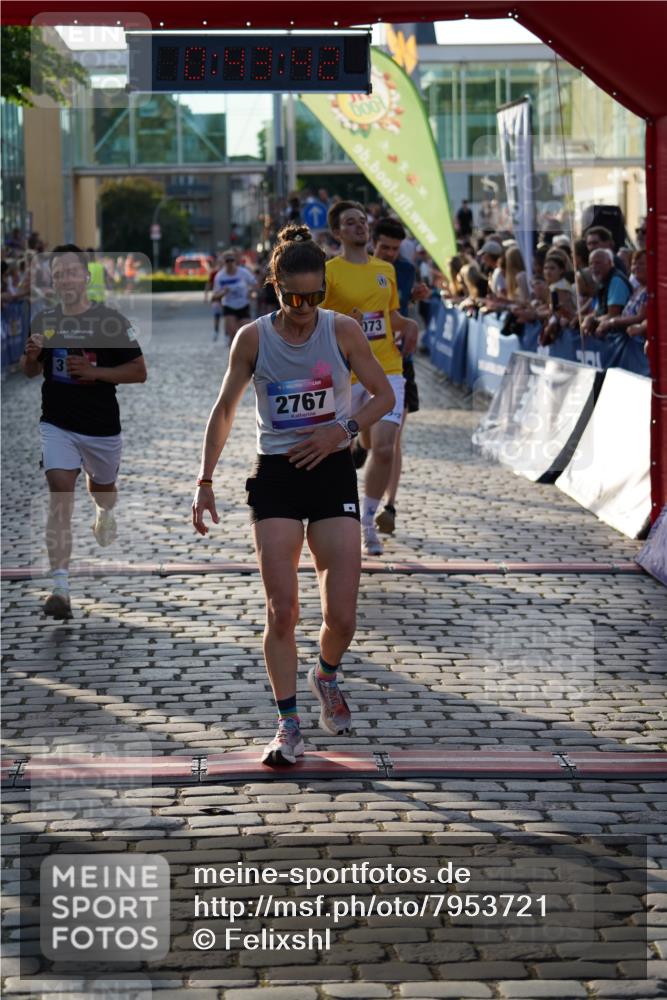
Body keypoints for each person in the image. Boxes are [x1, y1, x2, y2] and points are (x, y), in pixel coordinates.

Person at [192, 225, 393, 766]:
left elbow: (382, 395)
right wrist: (205, 480)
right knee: (282, 611)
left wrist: (341, 431)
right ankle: (288, 725)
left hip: (331, 473)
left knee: (342, 618)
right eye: (293, 298)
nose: (304, 310)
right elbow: (225, 410)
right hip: (277, 476)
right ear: (274, 287)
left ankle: (325, 674)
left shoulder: (342, 330)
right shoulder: (253, 339)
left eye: (315, 297)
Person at [20, 244, 147, 620]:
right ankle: (60, 587)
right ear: (53, 281)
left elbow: (139, 371)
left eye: (72, 272)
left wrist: (95, 373)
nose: (65, 279)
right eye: (58, 274)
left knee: (102, 491)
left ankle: (104, 511)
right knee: (59, 489)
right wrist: (31, 357)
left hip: (101, 427)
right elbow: (30, 371)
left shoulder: (109, 321)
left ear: (86, 277)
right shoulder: (45, 320)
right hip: (57, 422)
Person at [322, 201, 418, 556]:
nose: (360, 226)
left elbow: (390, 316)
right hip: (345, 373)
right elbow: (315, 321)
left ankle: (367, 522)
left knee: (386, 447)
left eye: (363, 220)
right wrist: (346, 324)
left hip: (387, 369)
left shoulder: (385, 270)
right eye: (351, 222)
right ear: (337, 232)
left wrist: (409, 324)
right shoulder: (329, 272)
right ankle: (338, 516)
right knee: (341, 450)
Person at [370, 217, 423, 536]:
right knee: (366, 440)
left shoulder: (404, 269)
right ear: (372, 242)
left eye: (395, 248)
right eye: (384, 247)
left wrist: (415, 297)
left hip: (399, 362)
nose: (390, 253)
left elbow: (396, 308)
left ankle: (389, 506)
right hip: (359, 364)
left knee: (393, 439)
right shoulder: (354, 269)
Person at [211, 249, 257, 344]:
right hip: (229, 306)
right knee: (233, 334)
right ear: (224, 262)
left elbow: (255, 284)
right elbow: (214, 296)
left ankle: (244, 352)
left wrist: (251, 292)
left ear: (235, 260)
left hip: (243, 305)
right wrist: (223, 292)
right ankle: (233, 352)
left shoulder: (243, 272)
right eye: (227, 260)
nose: (230, 263)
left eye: (231, 260)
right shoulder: (220, 276)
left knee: (245, 334)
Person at [582, 248, 632, 335]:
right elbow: (599, 311)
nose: (594, 267)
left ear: (609, 263)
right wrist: (587, 318)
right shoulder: (602, 281)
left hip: (618, 335)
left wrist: (592, 320)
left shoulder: (616, 280)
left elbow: (613, 314)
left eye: (598, 263)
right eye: (591, 264)